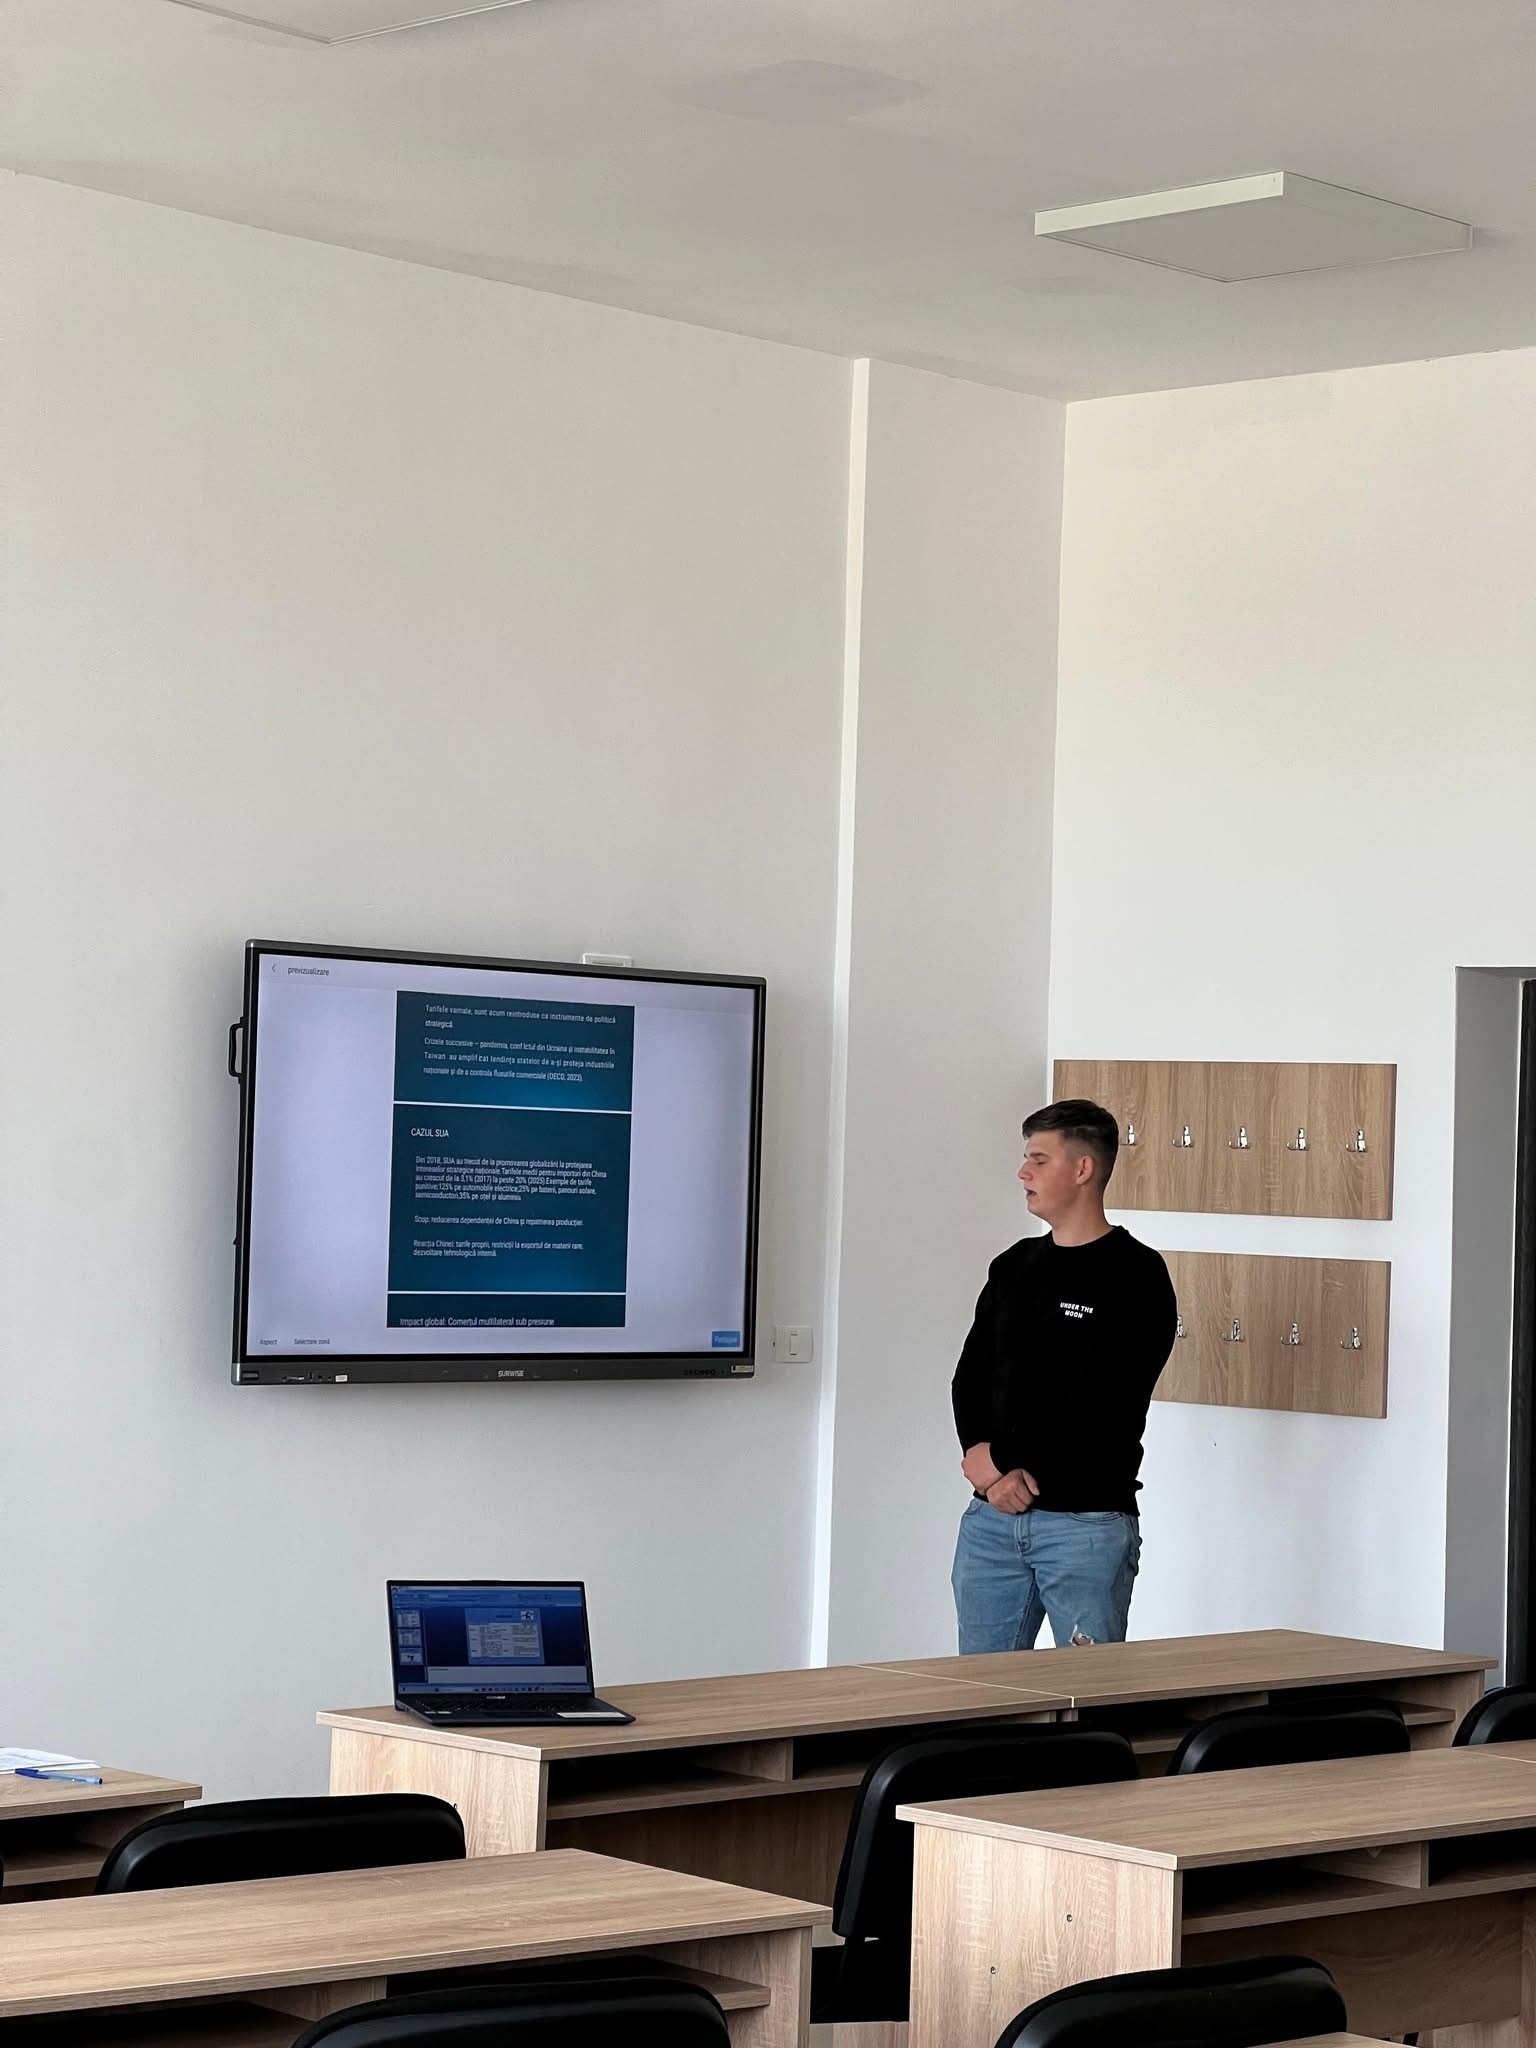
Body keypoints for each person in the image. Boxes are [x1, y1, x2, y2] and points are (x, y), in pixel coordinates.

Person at [950, 1098, 1177, 1653]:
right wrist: (986, 1469)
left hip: (1085, 1526)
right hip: (991, 1523)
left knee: (1086, 1696)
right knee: (982, 1695)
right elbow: (971, 1377)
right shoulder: (1014, 1265)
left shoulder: (1137, 1275)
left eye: (1038, 1160)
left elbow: (1101, 1403)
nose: (1022, 1173)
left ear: (1082, 1169)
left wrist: (998, 1460)